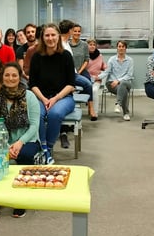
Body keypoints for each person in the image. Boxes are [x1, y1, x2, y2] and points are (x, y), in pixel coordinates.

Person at [0, 63, 42, 219]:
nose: (10, 78)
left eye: (14, 75)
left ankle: (20, 200)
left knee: (25, 156)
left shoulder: (29, 96)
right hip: (1, 140)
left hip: (28, 140)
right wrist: (5, 147)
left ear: (19, 77)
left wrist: (19, 143)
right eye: (7, 75)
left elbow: (34, 125)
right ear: (2, 77)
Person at [29, 24, 76, 163]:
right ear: (42, 38)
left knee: (54, 114)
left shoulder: (66, 56)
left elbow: (71, 84)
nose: (50, 38)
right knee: (37, 114)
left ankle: (49, 149)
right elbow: (33, 84)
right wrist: (44, 99)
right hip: (40, 97)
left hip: (63, 97)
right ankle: (43, 148)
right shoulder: (37, 56)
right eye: (47, 35)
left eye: (53, 35)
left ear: (58, 37)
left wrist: (55, 98)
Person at [69, 22, 98, 120]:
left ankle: (91, 107)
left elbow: (86, 59)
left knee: (88, 84)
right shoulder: (66, 45)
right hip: (70, 72)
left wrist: (80, 71)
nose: (77, 33)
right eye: (75, 31)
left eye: (79, 31)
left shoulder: (84, 45)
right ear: (71, 32)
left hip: (81, 70)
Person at [103, 40, 135, 121]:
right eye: (119, 46)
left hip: (126, 82)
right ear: (117, 48)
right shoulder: (112, 59)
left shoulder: (130, 60)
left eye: (123, 46)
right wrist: (97, 77)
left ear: (125, 48)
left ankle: (118, 103)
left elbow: (129, 75)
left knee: (123, 84)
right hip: (111, 83)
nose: (121, 48)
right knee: (123, 90)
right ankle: (126, 113)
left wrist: (118, 81)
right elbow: (107, 71)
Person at [86, 39, 107, 118]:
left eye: (94, 45)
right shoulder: (85, 55)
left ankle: (94, 113)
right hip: (86, 78)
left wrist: (105, 71)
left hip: (96, 79)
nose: (92, 46)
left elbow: (104, 67)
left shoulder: (100, 56)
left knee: (94, 90)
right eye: (90, 44)